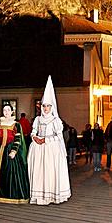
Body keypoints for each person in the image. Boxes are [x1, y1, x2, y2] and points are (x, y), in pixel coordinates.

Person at [28, 75, 71, 205]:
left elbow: (58, 136)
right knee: (39, 172)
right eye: (44, 106)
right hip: (38, 149)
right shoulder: (37, 119)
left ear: (52, 107)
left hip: (51, 150)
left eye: (48, 106)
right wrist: (34, 137)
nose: (46, 108)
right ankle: (39, 196)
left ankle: (52, 195)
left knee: (50, 171)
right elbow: (33, 131)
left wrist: (46, 140)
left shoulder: (56, 120)